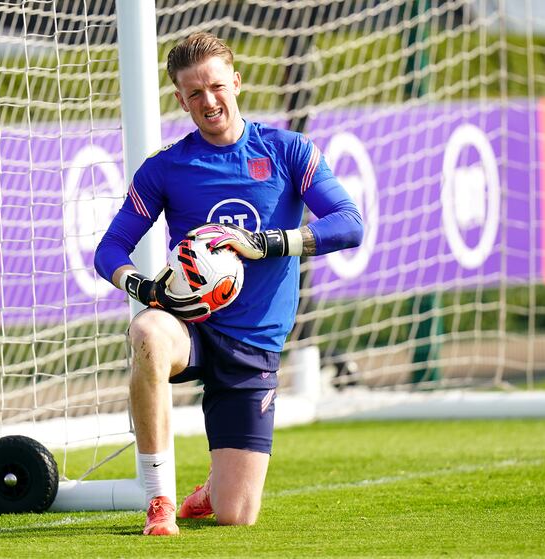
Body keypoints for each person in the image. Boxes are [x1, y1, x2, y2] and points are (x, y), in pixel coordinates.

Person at [93, 32, 363, 536]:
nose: (208, 101)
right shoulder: (165, 168)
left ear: (235, 82)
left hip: (253, 346)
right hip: (188, 329)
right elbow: (108, 250)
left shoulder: (289, 152)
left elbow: (349, 223)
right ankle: (159, 500)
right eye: (194, 93)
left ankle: (210, 492)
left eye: (216, 86)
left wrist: (266, 242)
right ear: (179, 99)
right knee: (148, 333)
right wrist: (146, 290)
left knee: (236, 514)